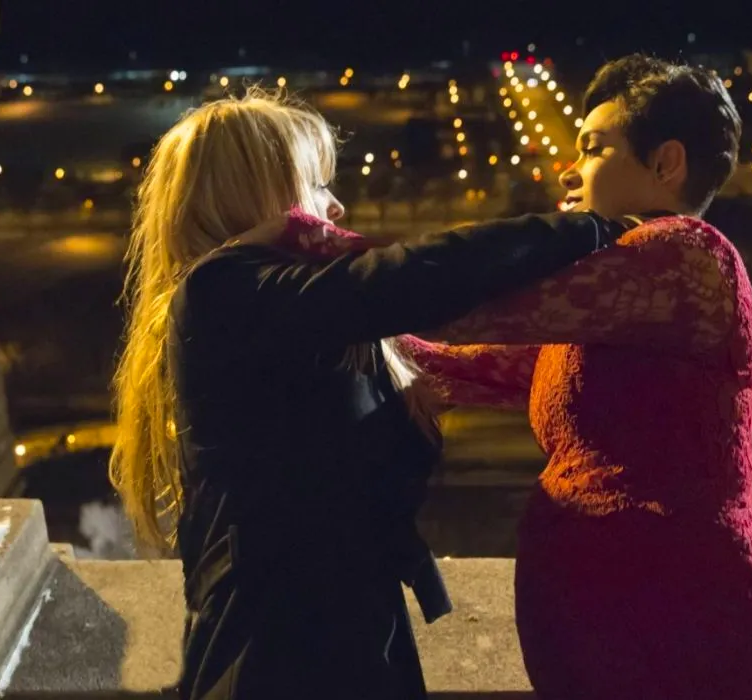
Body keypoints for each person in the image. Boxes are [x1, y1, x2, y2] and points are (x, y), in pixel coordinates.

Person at [273, 56, 752, 699]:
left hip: (695, 630)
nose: (569, 169)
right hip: (624, 637)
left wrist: (314, 244)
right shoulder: (616, 304)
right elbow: (457, 367)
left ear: (665, 164)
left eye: (594, 149)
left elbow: (468, 306)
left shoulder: (686, 255)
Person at [108, 90, 634, 700]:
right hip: (279, 656)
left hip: (346, 637)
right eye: (315, 183)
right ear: (254, 196)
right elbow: (408, 279)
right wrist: (590, 229)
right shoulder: (220, 293)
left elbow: (450, 342)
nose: (334, 205)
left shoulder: (302, 318)